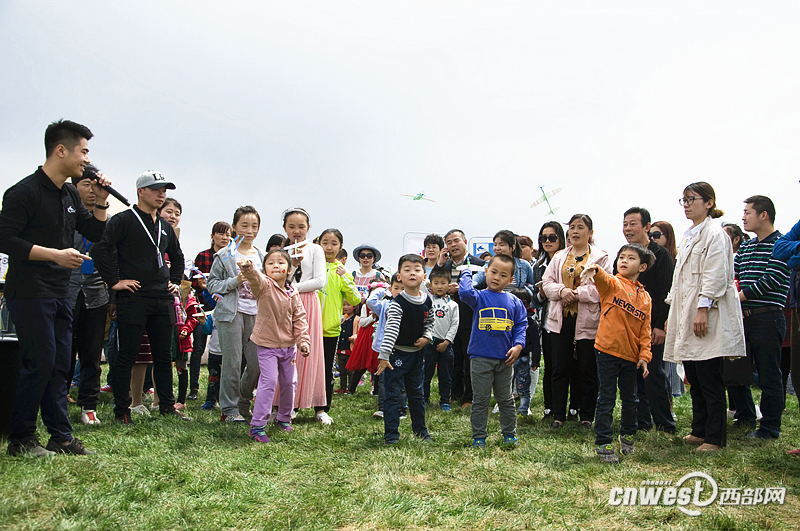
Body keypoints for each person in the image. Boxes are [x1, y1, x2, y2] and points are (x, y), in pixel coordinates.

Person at [0, 120, 109, 457]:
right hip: (31, 290)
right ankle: (21, 438)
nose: (87, 160)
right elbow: (5, 239)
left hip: (61, 291)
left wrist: (102, 202)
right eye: (84, 151)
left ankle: (60, 436)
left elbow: (95, 231)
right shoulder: (23, 192)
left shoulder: (69, 196)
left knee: (60, 363)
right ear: (61, 150)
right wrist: (55, 256)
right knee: (40, 360)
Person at [92, 170, 190, 424]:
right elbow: (101, 250)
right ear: (141, 192)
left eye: (164, 190)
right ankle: (122, 410)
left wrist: (174, 281)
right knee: (127, 355)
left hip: (161, 299)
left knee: (163, 356)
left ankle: (167, 406)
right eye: (156, 189)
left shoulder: (165, 227)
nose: (161, 194)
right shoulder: (123, 220)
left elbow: (177, 257)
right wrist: (114, 282)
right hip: (133, 298)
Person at [663, 182, 745, 452]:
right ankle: (699, 429)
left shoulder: (715, 234)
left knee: (709, 376)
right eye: (683, 200)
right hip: (685, 312)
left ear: (709, 202)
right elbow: (680, 278)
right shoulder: (689, 235)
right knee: (694, 375)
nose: (687, 204)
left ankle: (715, 437)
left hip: (706, 312)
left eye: (692, 199)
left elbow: (715, 274)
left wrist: (703, 308)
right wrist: (672, 311)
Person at [581, 244, 654, 463]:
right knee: (606, 397)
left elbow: (645, 330)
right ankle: (603, 441)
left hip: (631, 357)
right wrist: (594, 269)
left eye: (630, 258)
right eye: (621, 257)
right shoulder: (613, 284)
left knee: (631, 399)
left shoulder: (646, 298)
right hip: (606, 351)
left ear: (642, 266)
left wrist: (645, 356)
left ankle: (628, 436)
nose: (623, 261)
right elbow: (602, 277)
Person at [729, 196, 790, 439]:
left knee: (768, 374)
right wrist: (734, 294)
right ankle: (744, 416)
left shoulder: (782, 244)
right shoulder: (746, 246)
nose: (743, 217)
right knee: (737, 371)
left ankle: (769, 427)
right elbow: (735, 274)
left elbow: (772, 279)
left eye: (748, 212)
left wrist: (738, 297)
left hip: (768, 318)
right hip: (743, 318)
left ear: (763, 215)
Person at [542, 214, 610, 429]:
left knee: (587, 368)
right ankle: (558, 414)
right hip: (560, 318)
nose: (575, 231)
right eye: (572, 227)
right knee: (559, 367)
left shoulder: (601, 257)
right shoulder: (559, 256)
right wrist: (562, 291)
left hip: (587, 320)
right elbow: (547, 282)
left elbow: (604, 287)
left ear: (590, 233)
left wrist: (578, 293)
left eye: (580, 227)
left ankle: (586, 415)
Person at [238, 249, 311, 443]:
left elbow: (300, 317)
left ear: (289, 269)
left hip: (289, 346)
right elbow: (255, 278)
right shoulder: (264, 286)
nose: (276, 265)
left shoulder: (292, 291)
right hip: (266, 345)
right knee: (268, 383)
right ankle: (257, 426)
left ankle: (284, 418)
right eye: (271, 263)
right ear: (265, 269)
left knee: (289, 382)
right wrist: (248, 268)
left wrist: (303, 340)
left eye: (280, 262)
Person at [458, 254, 527, 447]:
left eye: (503, 275)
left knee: (505, 399)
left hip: (505, 359)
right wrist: (466, 273)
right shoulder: (478, 297)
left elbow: (521, 325)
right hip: (480, 358)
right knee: (480, 400)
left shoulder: (514, 301)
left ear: (510, 280)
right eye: (493, 272)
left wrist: (518, 345)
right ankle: (479, 436)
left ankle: (510, 434)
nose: (496, 277)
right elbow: (464, 293)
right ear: (486, 272)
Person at [621, 207, 676, 434]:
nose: (627, 228)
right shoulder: (625, 254)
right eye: (625, 224)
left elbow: (666, 291)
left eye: (633, 223)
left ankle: (665, 423)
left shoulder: (660, 255)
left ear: (646, 227)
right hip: (629, 326)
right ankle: (642, 422)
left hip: (652, 326)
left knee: (653, 373)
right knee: (634, 376)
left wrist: (659, 325)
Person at [207, 206, 263, 423]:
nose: (250, 230)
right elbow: (212, 284)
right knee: (231, 362)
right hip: (231, 314)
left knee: (257, 363)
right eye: (245, 225)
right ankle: (229, 409)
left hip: (257, 314)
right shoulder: (224, 255)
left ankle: (243, 401)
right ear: (235, 227)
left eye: (254, 226)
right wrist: (236, 281)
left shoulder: (261, 255)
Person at [65, 164, 111, 426]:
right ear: (74, 188)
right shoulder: (65, 216)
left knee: (92, 353)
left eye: (96, 187)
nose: (92, 191)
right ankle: (59, 399)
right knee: (64, 351)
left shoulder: (105, 220)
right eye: (86, 185)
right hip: (67, 290)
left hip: (96, 292)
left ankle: (89, 404)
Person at [376, 254, 434, 444]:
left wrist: (427, 337)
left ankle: (421, 431)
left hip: (417, 356)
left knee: (417, 395)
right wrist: (384, 357)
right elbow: (390, 331)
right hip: (396, 356)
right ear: (399, 276)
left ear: (424, 276)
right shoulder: (397, 304)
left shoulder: (427, 300)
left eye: (417, 270)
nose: (412, 273)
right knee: (393, 397)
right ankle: (391, 435)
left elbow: (430, 321)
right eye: (407, 269)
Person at [283, 208, 328, 418]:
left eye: (301, 226)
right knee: (286, 352)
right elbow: (279, 280)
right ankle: (288, 404)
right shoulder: (282, 251)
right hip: (284, 304)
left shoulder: (315, 249)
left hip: (308, 302)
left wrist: (294, 288)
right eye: (291, 226)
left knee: (309, 352)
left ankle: (318, 405)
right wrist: (292, 266)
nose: (297, 231)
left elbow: (320, 281)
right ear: (285, 228)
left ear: (308, 228)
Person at [438, 229, 486, 408]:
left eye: (456, 240)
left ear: (465, 241)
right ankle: (454, 392)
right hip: (448, 318)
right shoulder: (445, 265)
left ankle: (469, 396)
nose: (453, 245)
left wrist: (462, 288)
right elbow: (433, 285)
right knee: (452, 357)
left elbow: (483, 286)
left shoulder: (479, 264)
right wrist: (440, 264)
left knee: (469, 356)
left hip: (470, 316)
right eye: (449, 242)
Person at [317, 229, 361, 422]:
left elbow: (355, 299)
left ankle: (322, 409)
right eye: (325, 242)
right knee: (302, 369)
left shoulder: (341, 271)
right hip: (307, 328)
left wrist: (344, 277)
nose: (329, 247)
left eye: (334, 243)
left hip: (330, 329)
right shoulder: (311, 266)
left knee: (326, 370)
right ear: (318, 244)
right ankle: (295, 406)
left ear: (340, 247)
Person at [190, 221, 231, 402]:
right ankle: (194, 388)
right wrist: (200, 284)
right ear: (212, 235)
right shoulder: (203, 256)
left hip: (225, 309)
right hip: (203, 309)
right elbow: (192, 280)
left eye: (227, 234)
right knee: (198, 348)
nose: (224, 237)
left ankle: (220, 392)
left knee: (223, 352)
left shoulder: (232, 257)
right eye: (220, 233)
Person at [532, 221, 566, 421]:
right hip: (546, 321)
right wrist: (543, 293)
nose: (547, 241)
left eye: (552, 237)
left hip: (570, 319)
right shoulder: (538, 265)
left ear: (560, 238)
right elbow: (536, 301)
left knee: (568, 367)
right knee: (551, 366)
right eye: (543, 238)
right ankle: (549, 408)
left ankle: (572, 409)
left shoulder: (569, 261)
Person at [365, 274, 404, 417]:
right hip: (384, 347)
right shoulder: (384, 305)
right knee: (383, 379)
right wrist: (383, 288)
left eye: (402, 288)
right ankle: (382, 407)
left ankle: (401, 408)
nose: (399, 291)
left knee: (400, 379)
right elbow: (370, 301)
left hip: (401, 347)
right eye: (396, 288)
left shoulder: (409, 304)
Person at [422, 268, 459, 410]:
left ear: (449, 285)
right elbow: (422, 282)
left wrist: (447, 341)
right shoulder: (427, 299)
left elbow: (454, 325)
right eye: (436, 283)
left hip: (445, 344)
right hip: (429, 342)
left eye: (443, 283)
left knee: (446, 374)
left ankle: (445, 400)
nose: (439, 286)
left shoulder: (453, 305)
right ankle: (424, 398)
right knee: (426, 372)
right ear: (430, 285)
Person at [336, 301, 358, 393]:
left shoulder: (357, 319)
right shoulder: (341, 318)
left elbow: (358, 332)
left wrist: (354, 337)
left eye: (348, 305)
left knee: (350, 370)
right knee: (342, 369)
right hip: (341, 347)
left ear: (354, 307)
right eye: (344, 304)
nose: (345, 307)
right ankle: (343, 387)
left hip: (350, 348)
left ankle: (350, 387)